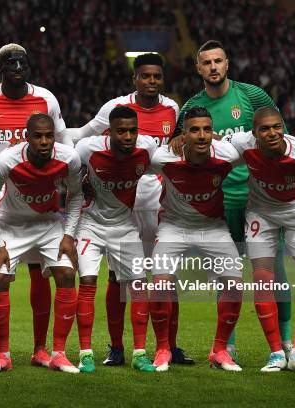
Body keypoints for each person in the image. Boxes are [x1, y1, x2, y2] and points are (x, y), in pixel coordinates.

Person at [67, 53, 190, 365]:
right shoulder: (114, 107)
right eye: (145, 76)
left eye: (157, 77)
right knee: (116, 278)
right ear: (134, 78)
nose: (151, 82)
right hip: (120, 200)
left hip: (158, 198)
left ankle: (168, 346)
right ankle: (117, 348)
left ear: (163, 79)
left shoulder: (173, 109)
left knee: (164, 274)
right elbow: (81, 136)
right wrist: (81, 178)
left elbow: (173, 151)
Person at [172, 40, 291, 360]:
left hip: (259, 201)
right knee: (227, 276)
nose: (213, 67)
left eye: (218, 61)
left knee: (274, 274)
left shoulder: (252, 96)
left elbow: (281, 138)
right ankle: (228, 346)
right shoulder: (190, 110)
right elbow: (175, 152)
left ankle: (287, 345)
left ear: (227, 64)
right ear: (198, 68)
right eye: (206, 62)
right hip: (219, 204)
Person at [0, 43, 71, 367]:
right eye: (11, 64)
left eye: (23, 63)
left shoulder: (46, 99)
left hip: (42, 201)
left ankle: (40, 350)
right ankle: (1, 353)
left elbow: (64, 143)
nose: (18, 68)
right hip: (0, 202)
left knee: (42, 276)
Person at [0, 114, 82, 373]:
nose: (44, 141)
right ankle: (1, 354)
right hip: (11, 224)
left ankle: (57, 353)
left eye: (49, 135)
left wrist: (69, 235)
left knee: (68, 274)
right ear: (27, 137)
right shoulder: (6, 161)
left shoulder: (69, 158)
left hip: (49, 223)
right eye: (38, 136)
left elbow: (76, 195)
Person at [228, 107, 295, 373]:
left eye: (277, 127)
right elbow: (213, 148)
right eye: (265, 129)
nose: (272, 133)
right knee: (262, 278)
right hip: (262, 213)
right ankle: (275, 354)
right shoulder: (241, 144)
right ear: (254, 134)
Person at [151, 107, 244, 372]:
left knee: (235, 285)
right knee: (160, 286)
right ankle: (162, 349)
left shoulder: (228, 155)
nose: (201, 136)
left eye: (206, 129)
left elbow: (255, 147)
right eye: (194, 130)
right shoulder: (163, 157)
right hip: (173, 227)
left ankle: (220, 350)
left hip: (213, 227)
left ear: (212, 132)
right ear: (184, 134)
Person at [75, 106, 167, 373]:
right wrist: (77, 182)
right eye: (122, 131)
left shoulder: (146, 149)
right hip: (90, 225)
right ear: (109, 132)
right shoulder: (88, 148)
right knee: (88, 281)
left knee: (138, 284)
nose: (128, 136)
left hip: (125, 226)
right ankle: (85, 353)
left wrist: (179, 141)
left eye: (132, 131)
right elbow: (64, 165)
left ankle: (139, 353)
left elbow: (172, 164)